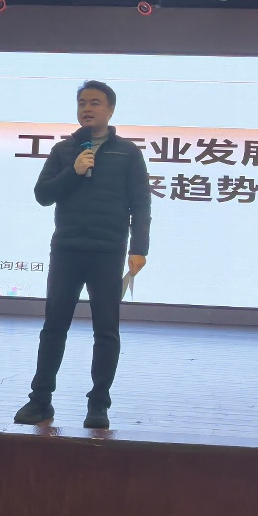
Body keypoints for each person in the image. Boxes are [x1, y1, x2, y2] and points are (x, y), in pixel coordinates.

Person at [14, 80, 150, 430]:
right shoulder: (63, 151)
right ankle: (40, 400)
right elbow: (43, 195)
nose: (87, 108)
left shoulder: (128, 153)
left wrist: (139, 248)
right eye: (82, 103)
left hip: (108, 252)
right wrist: (72, 173)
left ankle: (98, 404)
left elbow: (141, 204)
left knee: (106, 331)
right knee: (53, 327)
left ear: (110, 109)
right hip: (67, 250)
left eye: (95, 102)